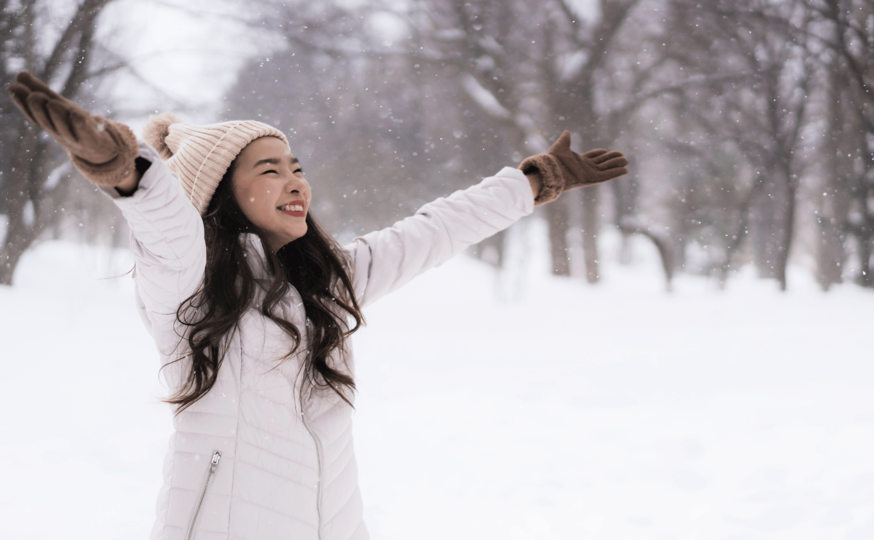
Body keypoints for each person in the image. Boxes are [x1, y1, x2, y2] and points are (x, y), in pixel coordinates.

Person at [7, 71, 628, 540]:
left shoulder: (327, 282)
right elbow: (168, 225)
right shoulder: (187, 286)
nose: (296, 181)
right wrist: (130, 172)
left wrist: (532, 180)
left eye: (296, 167)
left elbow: (435, 229)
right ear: (223, 194)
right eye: (270, 170)